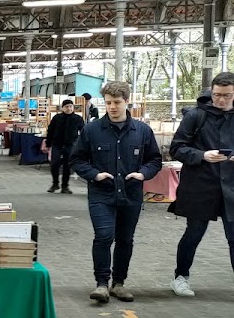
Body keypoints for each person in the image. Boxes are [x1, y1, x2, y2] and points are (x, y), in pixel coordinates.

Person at [69, 80, 163, 305]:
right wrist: (94, 174)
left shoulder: (142, 131)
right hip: (102, 194)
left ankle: (119, 283)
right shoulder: (92, 130)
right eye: (108, 102)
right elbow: (77, 159)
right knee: (103, 236)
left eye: (117, 102)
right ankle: (101, 284)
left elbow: (155, 160)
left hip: (131, 194)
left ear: (127, 102)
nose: (112, 107)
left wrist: (143, 174)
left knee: (125, 239)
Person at [167, 73, 234, 297]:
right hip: (200, 185)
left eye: (227, 96)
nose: (221, 100)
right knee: (194, 232)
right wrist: (203, 155)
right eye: (217, 95)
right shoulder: (196, 116)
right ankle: (180, 277)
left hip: (231, 187)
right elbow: (176, 148)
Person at [43, 99, 84, 193]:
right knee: (54, 164)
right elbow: (50, 131)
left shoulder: (78, 118)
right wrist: (48, 144)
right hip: (57, 144)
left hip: (71, 145)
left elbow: (83, 133)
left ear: (73, 107)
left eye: (70, 106)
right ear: (62, 108)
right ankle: (55, 183)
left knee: (67, 165)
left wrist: (81, 146)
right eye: (66, 107)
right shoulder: (57, 118)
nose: (69, 108)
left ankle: (65, 186)